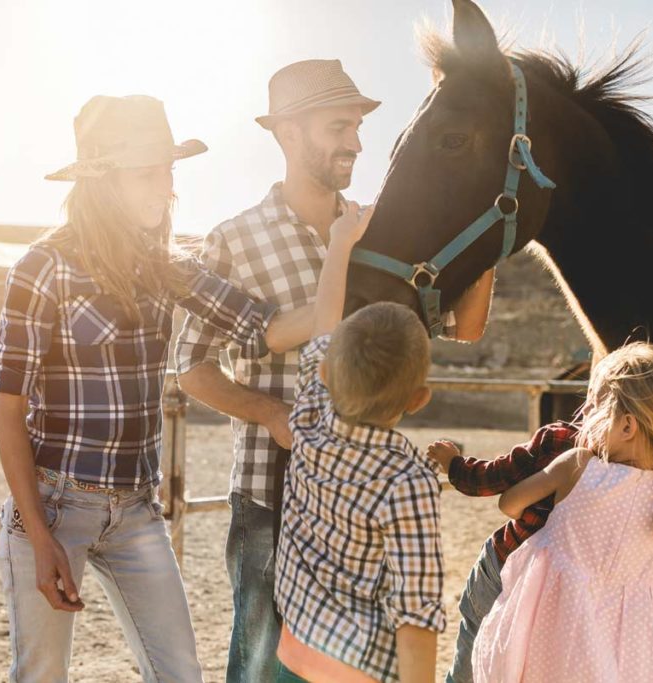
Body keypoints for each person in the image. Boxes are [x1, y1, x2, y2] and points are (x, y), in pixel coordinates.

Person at [175, 59, 495, 682]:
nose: (355, 142)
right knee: (262, 665)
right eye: (338, 126)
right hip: (270, 492)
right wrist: (272, 414)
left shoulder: (387, 231)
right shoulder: (232, 239)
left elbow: (465, 326)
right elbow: (189, 368)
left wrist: (486, 238)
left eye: (357, 127)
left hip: (366, 509)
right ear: (288, 135)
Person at [0, 94, 312, 683]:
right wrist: (38, 534)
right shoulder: (42, 269)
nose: (165, 187)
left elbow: (266, 326)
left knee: (181, 673)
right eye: (147, 173)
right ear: (102, 182)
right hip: (56, 503)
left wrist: (344, 263)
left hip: (138, 509)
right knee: (39, 674)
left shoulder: (166, 267)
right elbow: (7, 408)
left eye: (168, 171)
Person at [470, 342, 653, 682]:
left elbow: (509, 505)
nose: (586, 412)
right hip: (634, 640)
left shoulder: (578, 465)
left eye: (596, 403)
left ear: (627, 426)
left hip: (559, 628)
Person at [273, 203, 445, 683]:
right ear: (418, 399)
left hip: (294, 652)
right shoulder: (407, 482)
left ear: (326, 374)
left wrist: (340, 242)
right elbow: (416, 614)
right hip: (360, 670)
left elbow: (325, 323)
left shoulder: (308, 413)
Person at [425, 421, 579, 683]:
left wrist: (454, 465)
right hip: (569, 586)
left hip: (511, 565)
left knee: (475, 654)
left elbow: (495, 479)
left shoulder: (564, 441)